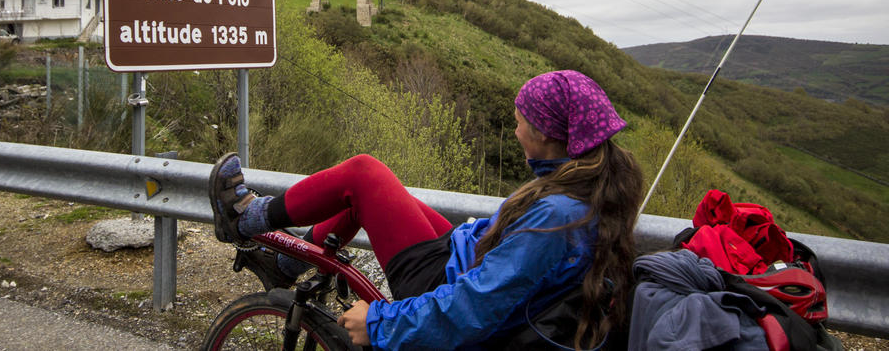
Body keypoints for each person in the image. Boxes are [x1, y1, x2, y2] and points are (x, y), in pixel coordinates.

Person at [210, 70, 644, 350]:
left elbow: (476, 306)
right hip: (467, 256)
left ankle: (245, 219)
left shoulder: (557, 215)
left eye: (519, 121)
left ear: (548, 134)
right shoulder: (588, 180)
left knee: (363, 174)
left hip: (449, 279)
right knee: (375, 196)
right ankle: (285, 263)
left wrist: (380, 323)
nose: (515, 131)